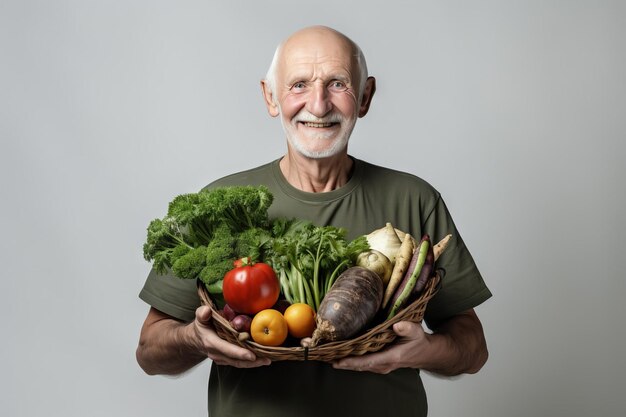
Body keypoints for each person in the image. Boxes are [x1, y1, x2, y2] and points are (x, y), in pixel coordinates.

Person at [136, 25, 491, 417]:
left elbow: (472, 347)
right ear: (271, 97)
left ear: (366, 96)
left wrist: (426, 351)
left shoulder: (413, 199)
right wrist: (193, 339)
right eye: (299, 85)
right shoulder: (220, 206)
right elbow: (150, 351)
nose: (319, 106)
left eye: (337, 84)